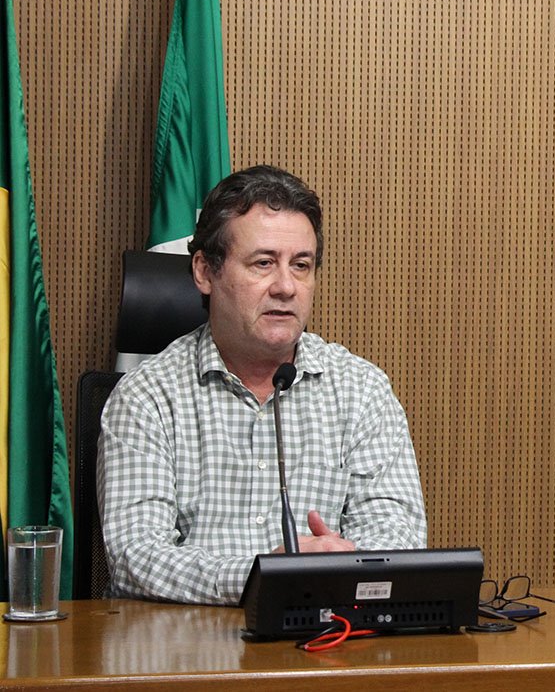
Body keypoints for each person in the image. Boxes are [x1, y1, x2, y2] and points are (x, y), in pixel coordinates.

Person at [98, 165, 427, 604]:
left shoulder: (361, 390)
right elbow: (136, 557)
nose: (286, 287)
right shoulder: (147, 397)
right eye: (264, 263)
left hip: (324, 634)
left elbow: (399, 537)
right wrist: (261, 576)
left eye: (301, 265)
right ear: (204, 271)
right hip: (188, 641)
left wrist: (344, 563)